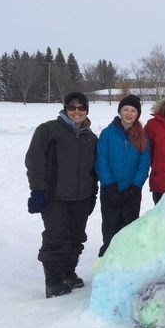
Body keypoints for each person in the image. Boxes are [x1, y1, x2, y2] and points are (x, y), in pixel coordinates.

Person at [25, 92, 98, 298]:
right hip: (54, 196)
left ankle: (68, 272)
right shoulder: (48, 130)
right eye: (72, 107)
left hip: (81, 197)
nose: (76, 111)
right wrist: (37, 190)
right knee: (56, 237)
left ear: (86, 110)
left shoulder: (91, 138)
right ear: (65, 109)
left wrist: (92, 194)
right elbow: (34, 161)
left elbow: (93, 172)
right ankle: (54, 281)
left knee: (76, 237)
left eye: (81, 108)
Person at [95, 95, 150, 257]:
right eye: (126, 109)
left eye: (133, 111)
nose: (129, 113)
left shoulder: (141, 135)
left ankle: (126, 262)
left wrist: (135, 187)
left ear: (137, 114)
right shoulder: (107, 134)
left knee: (128, 229)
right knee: (110, 228)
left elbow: (144, 164)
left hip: (131, 192)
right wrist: (109, 185)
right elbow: (101, 162)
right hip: (110, 192)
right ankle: (108, 260)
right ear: (120, 111)